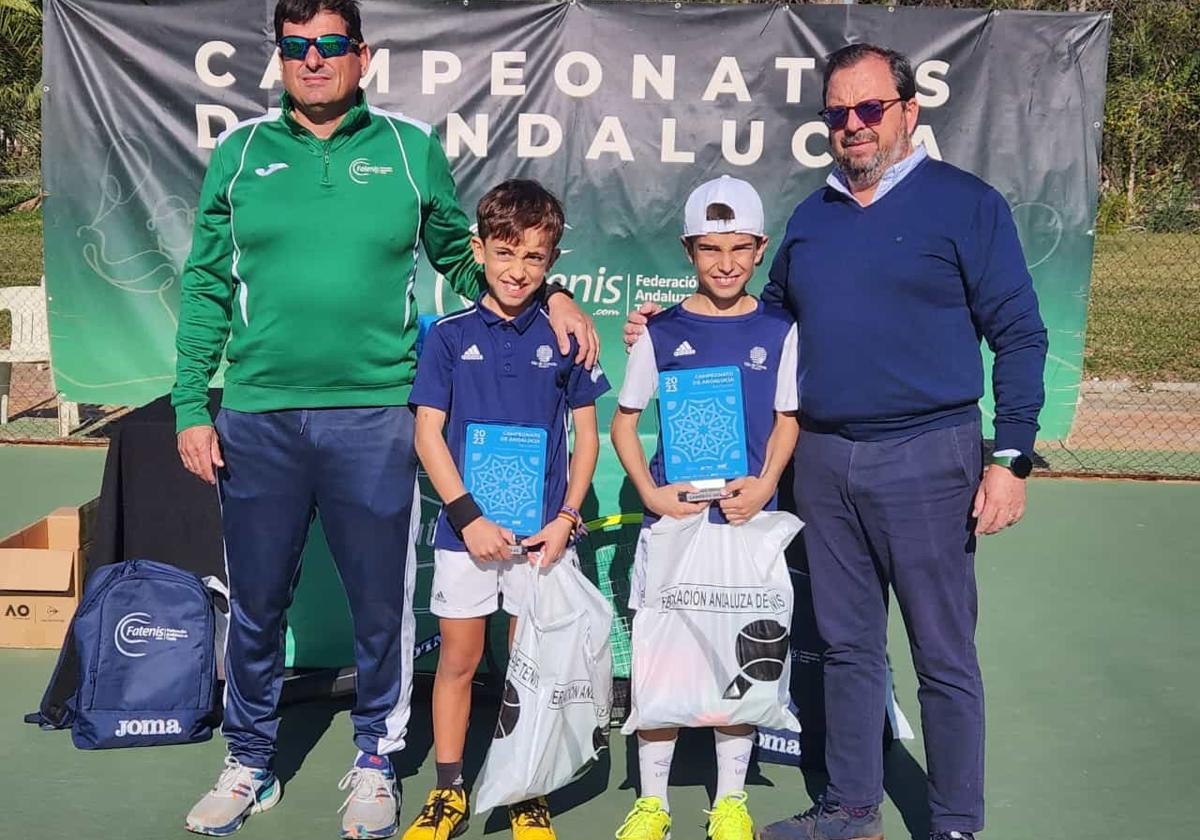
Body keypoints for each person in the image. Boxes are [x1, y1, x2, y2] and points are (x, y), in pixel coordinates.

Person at [171, 2, 596, 836]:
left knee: (381, 607)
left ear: (361, 55)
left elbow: (463, 251)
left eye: (330, 45)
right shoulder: (242, 153)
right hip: (257, 415)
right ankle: (249, 759)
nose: (313, 60)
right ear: (281, 60)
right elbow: (206, 284)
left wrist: (553, 293)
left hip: (375, 417)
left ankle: (376, 758)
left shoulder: (409, 151)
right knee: (258, 602)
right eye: (296, 48)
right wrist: (193, 401)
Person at [626, 45, 1047, 840]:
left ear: (907, 112)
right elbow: (767, 319)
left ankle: (954, 821)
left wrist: (1011, 456)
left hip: (930, 455)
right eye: (836, 113)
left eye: (869, 109)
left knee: (942, 655)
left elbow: (1020, 335)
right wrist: (668, 327)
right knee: (848, 648)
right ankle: (852, 810)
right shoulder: (812, 218)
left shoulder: (965, 204)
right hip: (823, 462)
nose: (852, 125)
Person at [405, 179, 610, 840]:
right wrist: (467, 516)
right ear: (479, 250)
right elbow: (427, 435)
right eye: (504, 252)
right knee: (459, 664)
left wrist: (565, 519)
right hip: (468, 537)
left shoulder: (567, 337)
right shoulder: (447, 337)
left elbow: (587, 437)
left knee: (529, 670)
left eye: (534, 258)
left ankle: (526, 787)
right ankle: (449, 790)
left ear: (551, 262)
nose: (518, 270)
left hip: (542, 541)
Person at [609, 175, 800, 840]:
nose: (725, 263)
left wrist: (766, 480)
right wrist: (654, 494)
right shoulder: (660, 333)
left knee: (742, 663)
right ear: (688, 249)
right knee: (663, 664)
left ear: (760, 249)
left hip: (748, 523)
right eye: (711, 248)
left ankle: (731, 802)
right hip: (677, 524)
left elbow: (786, 421)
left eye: (739, 248)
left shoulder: (781, 331)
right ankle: (652, 803)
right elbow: (624, 423)